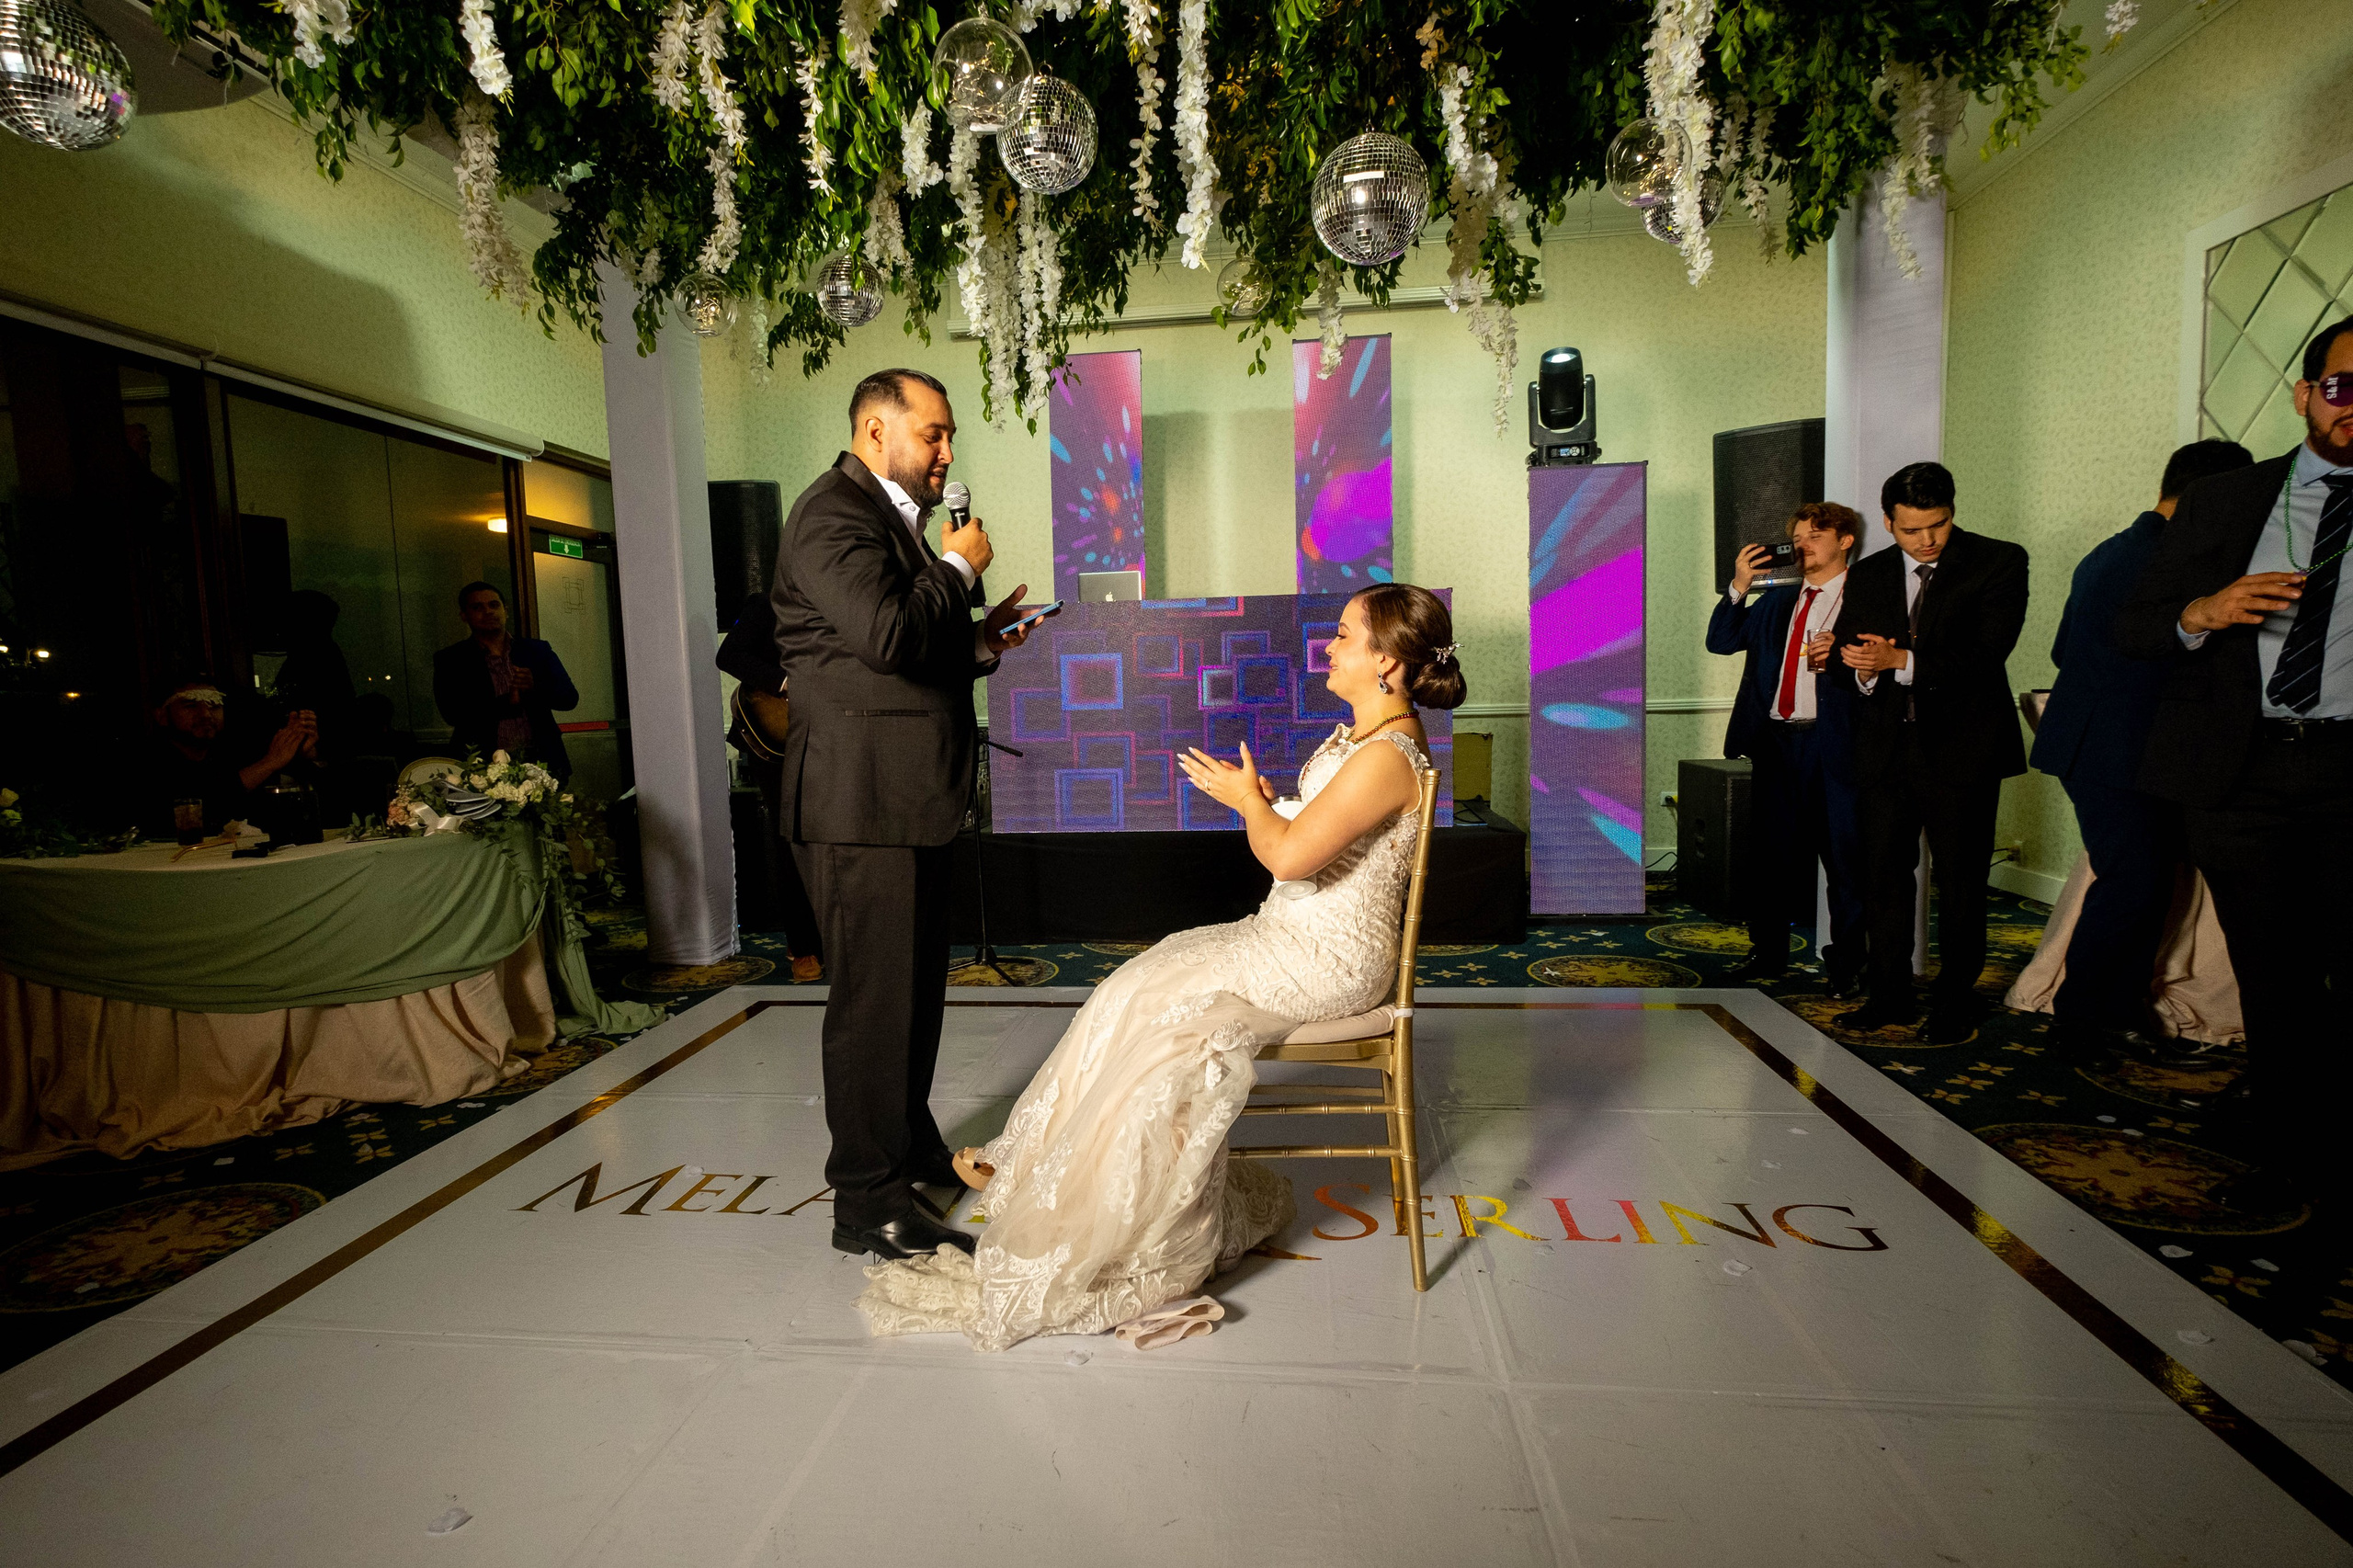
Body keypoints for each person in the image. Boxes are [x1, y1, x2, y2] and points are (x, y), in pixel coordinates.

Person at [856, 584, 1461, 1352]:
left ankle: (1128, 1231)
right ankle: (1037, 1164)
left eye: (1344, 637)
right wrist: (1266, 803)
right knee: (1135, 983)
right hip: (1291, 930)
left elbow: (1286, 854)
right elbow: (1310, 842)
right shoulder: (1359, 738)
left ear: (1387, 662)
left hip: (1327, 958)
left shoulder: (1387, 755)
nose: (1330, 648)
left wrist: (1250, 805)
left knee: (1168, 1023)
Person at [769, 368, 1040, 1262]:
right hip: (856, 803)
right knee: (871, 1005)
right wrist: (958, 563)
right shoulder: (829, 515)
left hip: (903, 798)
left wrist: (975, 639)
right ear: (875, 430)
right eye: (934, 433)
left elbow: (903, 649)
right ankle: (865, 1200)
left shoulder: (888, 518)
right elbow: (886, 634)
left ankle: (909, 1144)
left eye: (949, 436)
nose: (948, 452)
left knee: (914, 993)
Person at [2115, 317, 2353, 1215]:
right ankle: (2292, 1159)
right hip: (2243, 777)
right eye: (2342, 386)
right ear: (2305, 394)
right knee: (2273, 975)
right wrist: (2202, 610)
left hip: (2349, 773)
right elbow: (2134, 627)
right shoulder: (2224, 502)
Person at [2031, 438, 2253, 1054]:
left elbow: (2062, 651)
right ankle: (2081, 1020)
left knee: (2142, 881)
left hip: (2099, 742)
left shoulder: (2110, 552)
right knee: (2132, 882)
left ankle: (2117, 1010)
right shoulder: (2170, 560)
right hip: (2116, 747)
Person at [1834, 461, 2030, 1043]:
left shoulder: (1999, 561)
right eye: (1912, 529)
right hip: (1885, 751)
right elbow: (1854, 658)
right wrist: (1858, 666)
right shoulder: (1867, 574)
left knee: (1962, 882)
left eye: (1938, 526)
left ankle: (1955, 1000)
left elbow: (1986, 655)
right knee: (1884, 879)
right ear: (1889, 522)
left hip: (1963, 752)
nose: (1927, 541)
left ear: (1952, 512)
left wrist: (1902, 663)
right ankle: (1888, 995)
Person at [1706, 502, 1869, 995]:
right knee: (1770, 859)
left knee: (1844, 861)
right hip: (1776, 744)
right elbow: (1721, 640)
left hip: (1834, 745)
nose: (1802, 544)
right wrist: (1739, 584)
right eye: (1797, 536)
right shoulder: (1778, 601)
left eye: (1815, 535)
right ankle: (1769, 954)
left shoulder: (1866, 600)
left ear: (1845, 541)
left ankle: (1845, 968)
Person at [715, 588, 824, 983]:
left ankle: (837, 937)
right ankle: (803, 946)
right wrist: (784, 683)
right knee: (793, 837)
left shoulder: (846, 601)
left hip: (832, 733)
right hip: (776, 735)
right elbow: (728, 656)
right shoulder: (767, 604)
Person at [430, 582, 580, 778]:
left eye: (494, 605)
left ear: (505, 611)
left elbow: (569, 699)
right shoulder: (452, 659)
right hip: (482, 766)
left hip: (542, 761)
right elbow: (452, 713)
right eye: (477, 607)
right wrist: (507, 703)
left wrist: (534, 687)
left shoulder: (536, 651)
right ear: (464, 616)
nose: (488, 612)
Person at [139, 676, 316, 836]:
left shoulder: (235, 749)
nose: (206, 715)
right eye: (191, 706)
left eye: (214, 705)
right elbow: (203, 805)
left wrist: (302, 752)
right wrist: (268, 763)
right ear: (162, 716)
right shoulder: (146, 763)